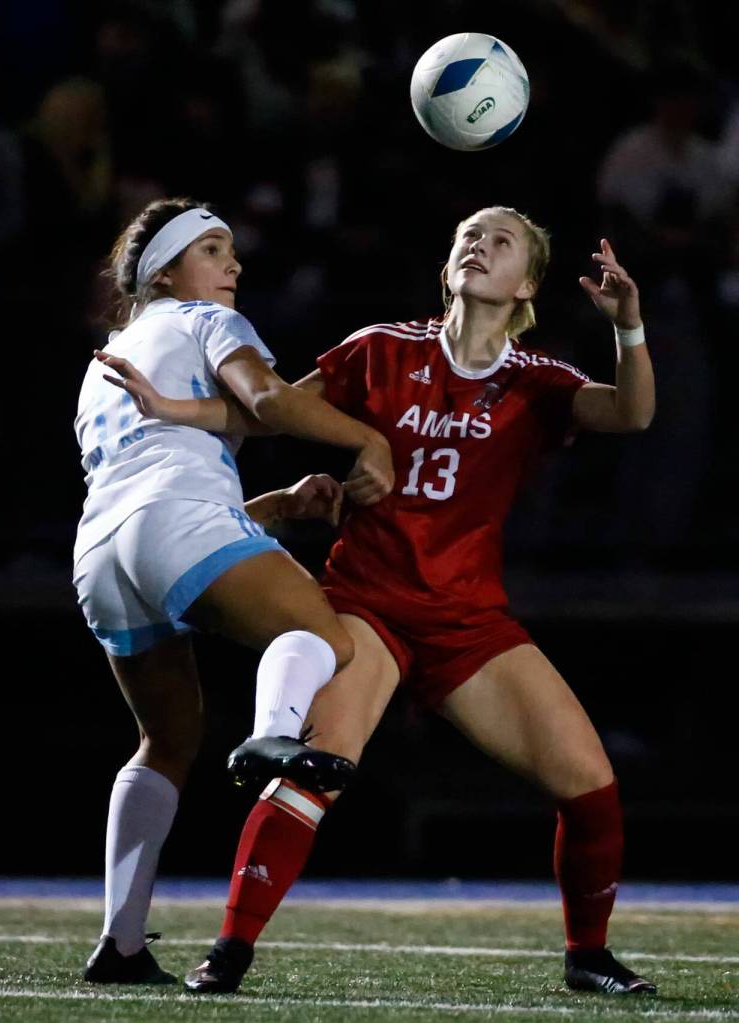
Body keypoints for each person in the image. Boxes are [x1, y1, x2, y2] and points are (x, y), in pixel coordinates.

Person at [107, 206, 657, 997]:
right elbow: (264, 407)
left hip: (469, 620)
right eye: (467, 233)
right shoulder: (379, 349)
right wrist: (176, 411)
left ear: (527, 282)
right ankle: (228, 948)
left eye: (501, 241)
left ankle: (588, 955)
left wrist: (629, 329)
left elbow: (633, 413)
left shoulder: (537, 380)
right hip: (366, 604)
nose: (478, 244)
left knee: (591, 782)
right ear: (446, 266)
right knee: (312, 771)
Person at [73, 197, 395, 984]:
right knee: (327, 640)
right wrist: (365, 437)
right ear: (168, 271)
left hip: (99, 556)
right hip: (173, 521)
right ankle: (272, 735)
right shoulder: (202, 320)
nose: (234, 265)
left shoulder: (103, 362)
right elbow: (269, 400)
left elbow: (148, 491)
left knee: (166, 740)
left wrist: (276, 508)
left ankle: (120, 944)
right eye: (214, 249)